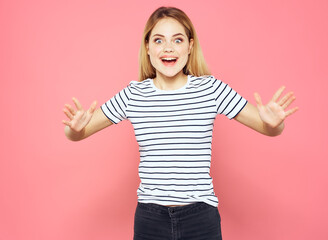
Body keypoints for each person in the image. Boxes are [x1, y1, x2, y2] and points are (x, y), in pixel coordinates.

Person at [62, 6, 298, 240]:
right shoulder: (134, 95)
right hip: (150, 218)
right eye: (158, 40)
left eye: (177, 40)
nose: (168, 48)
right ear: (147, 47)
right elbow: (77, 134)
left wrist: (274, 124)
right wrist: (75, 129)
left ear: (190, 46)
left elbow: (269, 129)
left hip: (201, 218)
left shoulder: (210, 89)